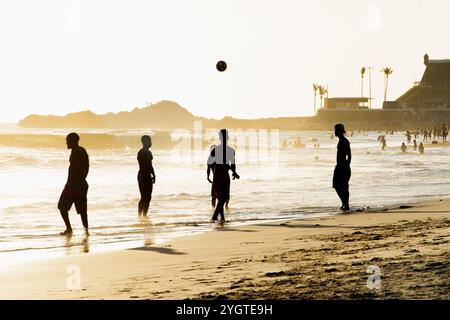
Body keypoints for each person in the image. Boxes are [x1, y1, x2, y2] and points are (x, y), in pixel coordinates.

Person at [58, 133, 89, 236]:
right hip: (81, 184)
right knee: (82, 210)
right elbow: (87, 167)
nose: (66, 142)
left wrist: (72, 183)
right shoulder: (81, 150)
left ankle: (69, 229)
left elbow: (77, 170)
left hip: (73, 185)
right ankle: (86, 230)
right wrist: (82, 179)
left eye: (68, 140)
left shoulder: (77, 152)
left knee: (62, 207)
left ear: (74, 140)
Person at [207, 129, 239, 222]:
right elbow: (233, 164)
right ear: (227, 138)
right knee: (223, 198)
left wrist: (209, 175)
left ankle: (222, 218)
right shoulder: (231, 151)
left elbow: (209, 163)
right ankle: (214, 217)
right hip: (224, 176)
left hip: (217, 176)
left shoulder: (214, 150)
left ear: (219, 138)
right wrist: (234, 172)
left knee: (220, 198)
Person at [333, 124, 351, 211]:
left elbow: (349, 154)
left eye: (336, 130)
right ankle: (344, 203)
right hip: (341, 166)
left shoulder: (344, 141)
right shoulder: (341, 141)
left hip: (342, 167)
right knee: (338, 186)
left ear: (339, 131)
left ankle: (346, 204)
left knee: (342, 186)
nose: (334, 132)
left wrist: (346, 165)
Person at [137, 135, 156, 216]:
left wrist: (153, 175)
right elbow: (145, 165)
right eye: (149, 141)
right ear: (144, 142)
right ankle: (139, 215)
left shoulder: (148, 152)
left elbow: (150, 165)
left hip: (147, 175)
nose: (150, 142)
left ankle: (144, 216)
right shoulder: (141, 152)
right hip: (142, 176)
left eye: (150, 140)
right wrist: (149, 175)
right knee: (144, 197)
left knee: (148, 197)